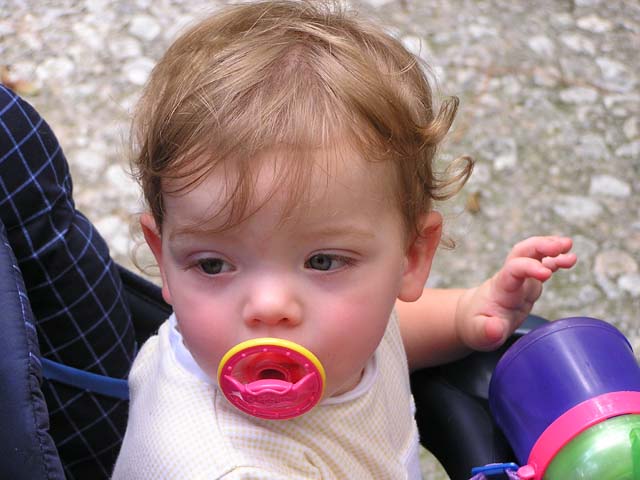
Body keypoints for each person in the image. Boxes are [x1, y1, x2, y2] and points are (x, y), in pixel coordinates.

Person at [112, 1, 576, 478]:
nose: (269, 308)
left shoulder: (336, 336)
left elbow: (387, 329)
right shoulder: (228, 468)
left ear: (411, 256)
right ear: (164, 259)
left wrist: (463, 315)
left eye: (323, 262)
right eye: (213, 264)